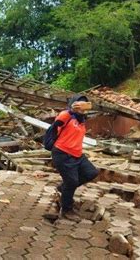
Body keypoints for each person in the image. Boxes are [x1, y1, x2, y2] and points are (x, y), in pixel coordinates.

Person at [51, 94, 98, 222]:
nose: (81, 107)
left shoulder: (82, 119)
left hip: (77, 154)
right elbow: (58, 122)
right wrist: (71, 110)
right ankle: (67, 210)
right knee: (71, 181)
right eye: (79, 104)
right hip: (62, 153)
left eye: (84, 104)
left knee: (92, 173)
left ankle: (63, 188)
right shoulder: (66, 116)